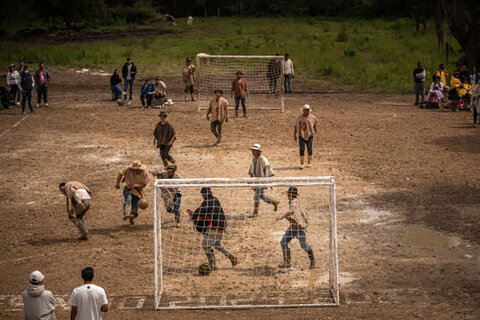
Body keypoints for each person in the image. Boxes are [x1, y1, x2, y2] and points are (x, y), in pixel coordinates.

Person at [187, 187, 237, 270]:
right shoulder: (215, 200)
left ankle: (212, 265)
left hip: (213, 227)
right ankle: (231, 256)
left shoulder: (206, 202)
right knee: (217, 244)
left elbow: (198, 213)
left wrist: (192, 215)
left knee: (206, 246)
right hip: (222, 226)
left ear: (203, 195)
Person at [276, 187, 315, 269]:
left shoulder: (294, 203)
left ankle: (313, 261)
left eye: (288, 193)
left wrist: (281, 217)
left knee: (304, 245)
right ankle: (287, 263)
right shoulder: (294, 201)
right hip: (293, 227)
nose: (287, 195)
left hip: (299, 228)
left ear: (290, 194)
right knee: (283, 242)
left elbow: (292, 210)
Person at [248, 144, 279, 216]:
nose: (253, 152)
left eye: (255, 150)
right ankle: (274, 202)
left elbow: (268, 170)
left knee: (256, 196)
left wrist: (268, 181)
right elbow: (252, 169)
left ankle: (255, 212)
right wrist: (251, 179)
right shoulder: (253, 159)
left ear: (258, 151)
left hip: (262, 180)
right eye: (253, 150)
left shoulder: (263, 159)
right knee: (260, 195)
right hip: (256, 180)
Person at [115, 160, 149, 225]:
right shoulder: (128, 170)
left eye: (139, 169)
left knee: (135, 207)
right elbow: (120, 173)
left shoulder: (145, 172)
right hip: (128, 188)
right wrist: (117, 183)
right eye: (135, 169)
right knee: (128, 199)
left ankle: (132, 217)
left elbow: (144, 184)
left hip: (138, 191)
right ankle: (126, 213)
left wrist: (135, 185)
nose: (137, 171)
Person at [294, 104, 318, 169]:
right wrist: (295, 134)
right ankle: (302, 163)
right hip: (301, 135)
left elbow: (315, 125)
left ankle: (309, 162)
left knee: (309, 148)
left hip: (309, 135)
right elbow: (296, 126)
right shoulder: (299, 118)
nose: (304, 111)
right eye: (304, 110)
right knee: (302, 149)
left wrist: (316, 133)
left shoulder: (312, 118)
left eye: (306, 110)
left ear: (308, 111)